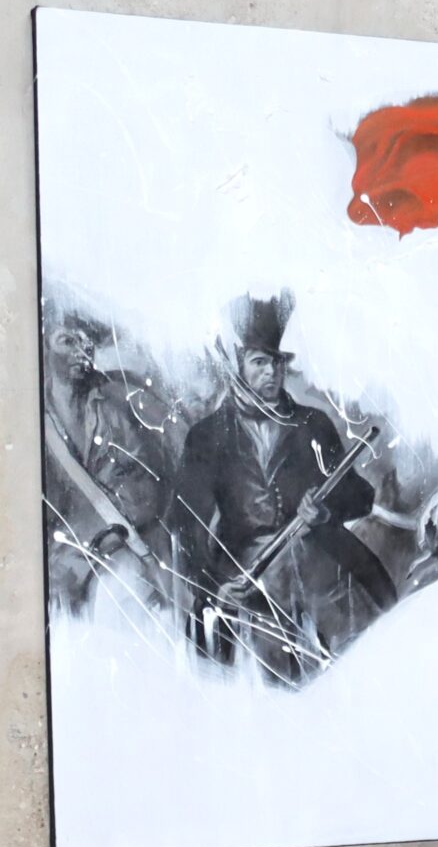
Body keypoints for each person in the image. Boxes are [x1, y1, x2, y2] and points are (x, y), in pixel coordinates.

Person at [172, 292, 394, 686]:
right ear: (236, 367)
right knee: (261, 681)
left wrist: (325, 511)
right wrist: (217, 585)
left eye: (277, 363)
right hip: (247, 573)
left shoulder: (313, 424)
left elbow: (360, 496)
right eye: (259, 362)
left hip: (321, 562)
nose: (272, 373)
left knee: (366, 659)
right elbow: (187, 525)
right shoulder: (207, 436)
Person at [37, 303, 179, 616]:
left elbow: (153, 477)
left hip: (130, 548)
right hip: (61, 564)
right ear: (44, 345)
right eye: (67, 341)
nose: (81, 351)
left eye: (86, 342)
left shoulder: (120, 398)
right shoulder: (29, 418)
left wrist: (114, 536)